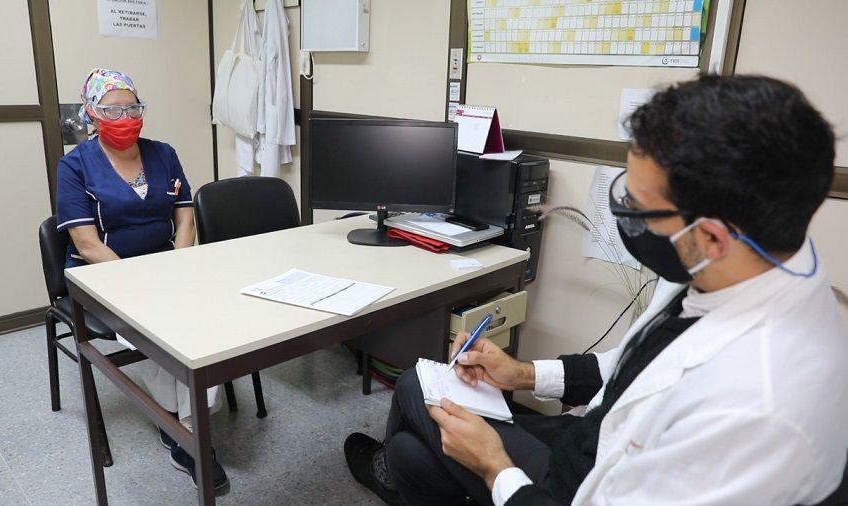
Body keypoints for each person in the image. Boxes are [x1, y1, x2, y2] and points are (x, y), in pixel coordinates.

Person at [344, 75, 848, 505]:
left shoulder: (759, 409)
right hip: (593, 438)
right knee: (412, 451)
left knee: (414, 398)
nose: (625, 215)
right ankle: (402, 472)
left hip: (588, 486)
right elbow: (634, 367)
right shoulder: (741, 263)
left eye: (638, 208)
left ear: (712, 237)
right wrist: (521, 373)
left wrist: (496, 468)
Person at [55, 68, 228, 491]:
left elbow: (184, 215)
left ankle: (183, 425)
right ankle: (188, 435)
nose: (126, 117)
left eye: (133, 108)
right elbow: (87, 244)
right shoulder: (74, 166)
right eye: (113, 110)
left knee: (209, 323)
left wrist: (179, 263)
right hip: (105, 277)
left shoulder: (163, 153)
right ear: (92, 113)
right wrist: (139, 283)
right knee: (161, 331)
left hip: (166, 267)